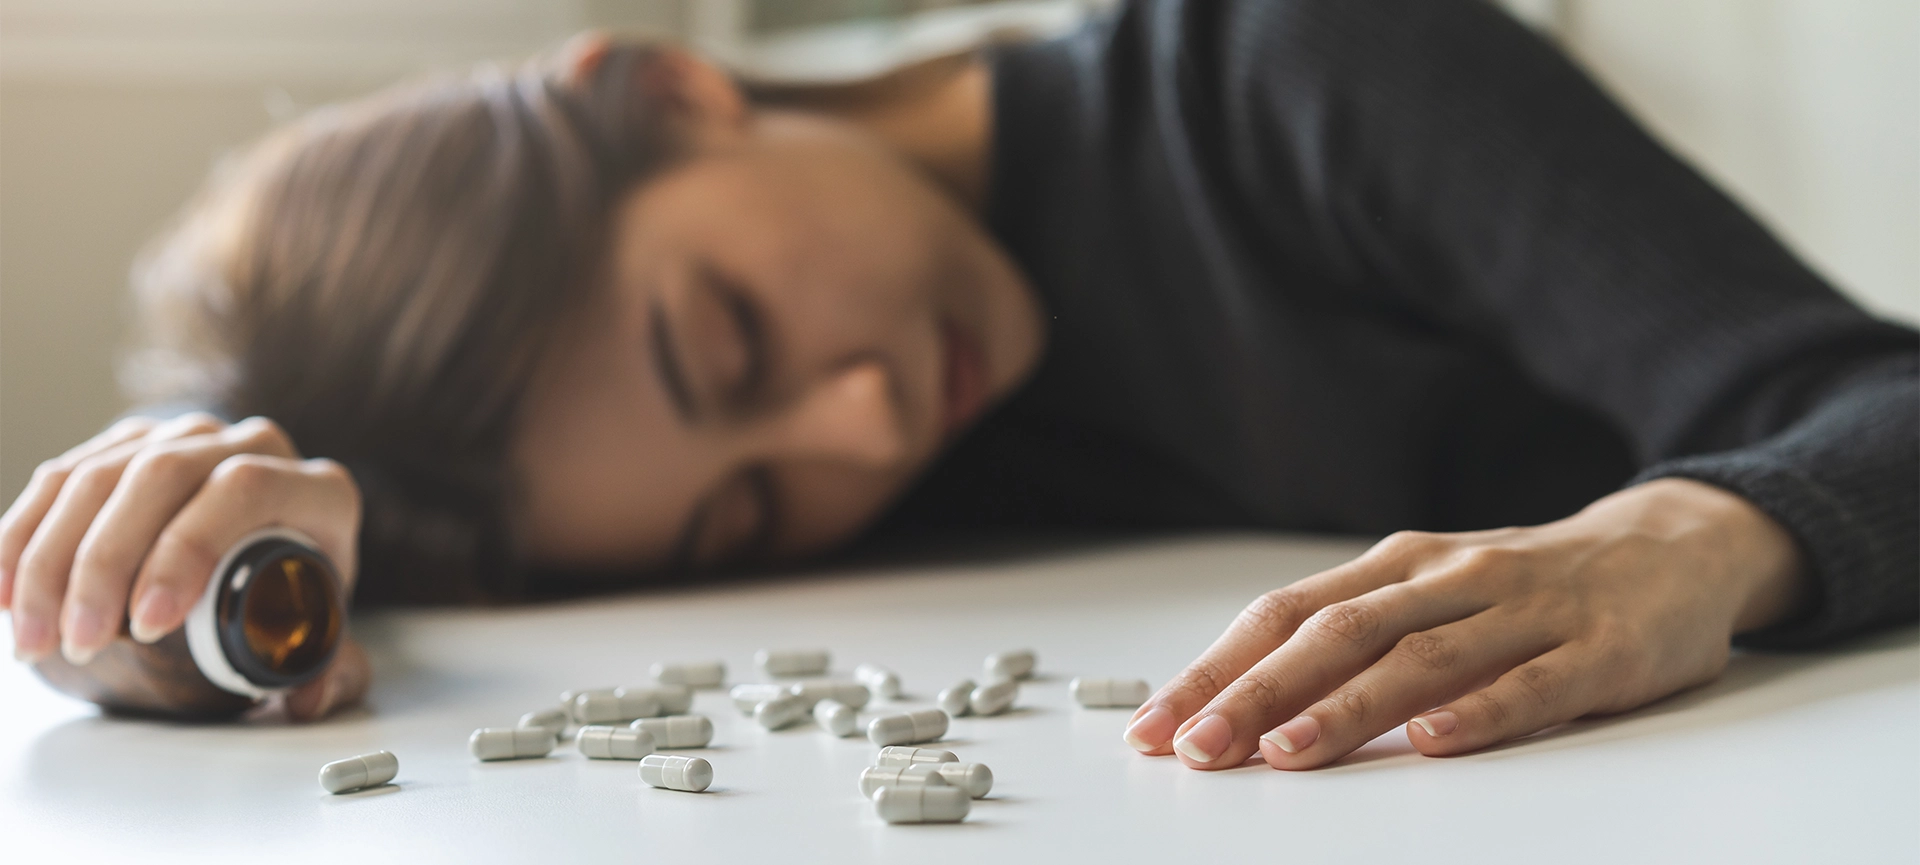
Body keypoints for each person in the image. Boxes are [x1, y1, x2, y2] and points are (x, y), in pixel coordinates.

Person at [2, 0, 1913, 769]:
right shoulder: (631, 479)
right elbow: (353, 587)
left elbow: (1869, 395)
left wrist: (1689, 538)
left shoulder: (1304, 66)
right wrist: (172, 587)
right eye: (744, 509)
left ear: (668, 85)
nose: (863, 428)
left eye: (728, 340)